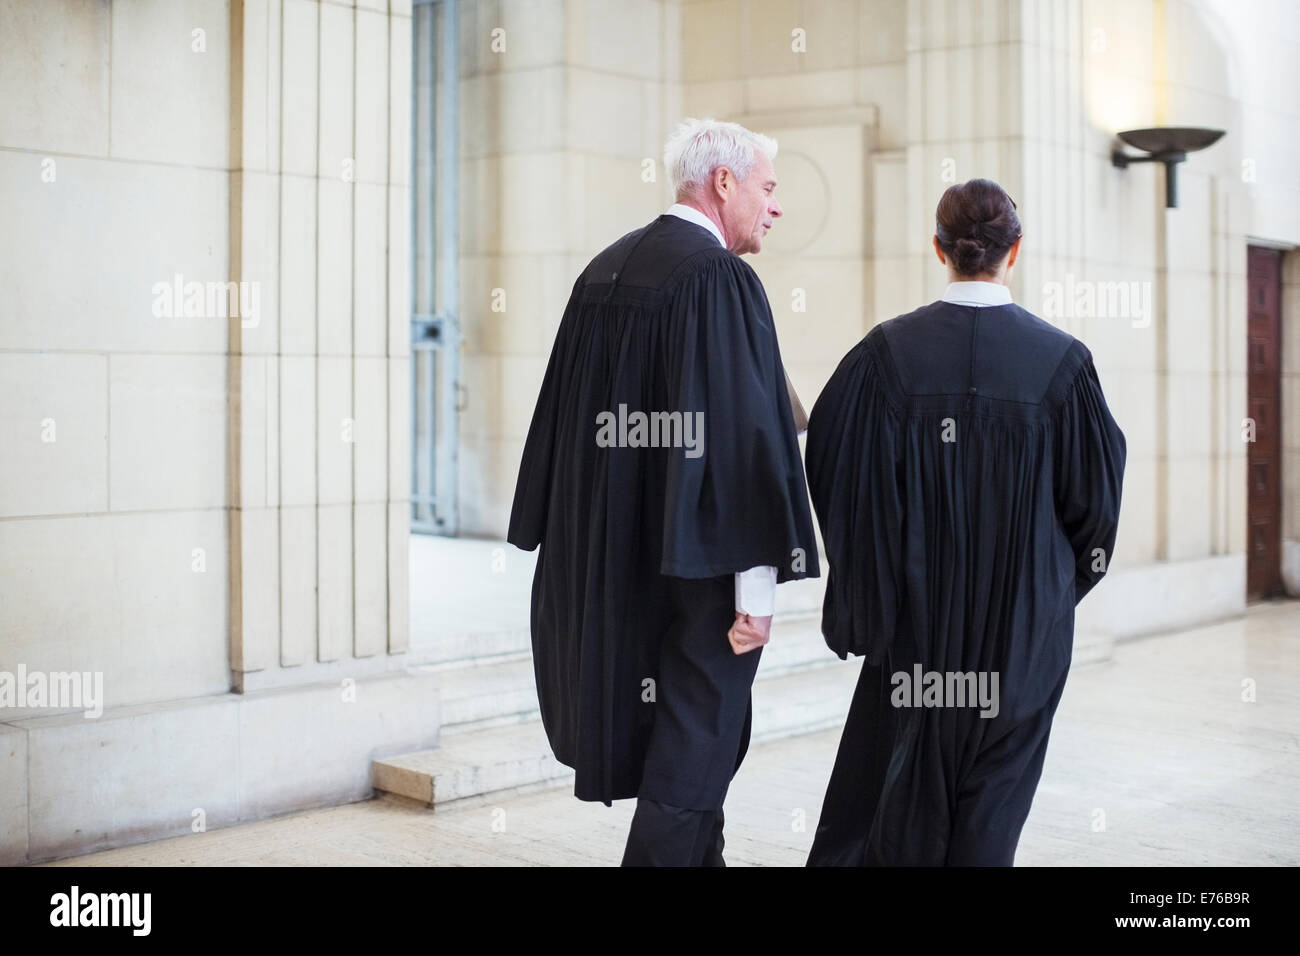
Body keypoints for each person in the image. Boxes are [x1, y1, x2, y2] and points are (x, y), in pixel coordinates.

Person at [507, 118, 819, 866]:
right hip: (702, 568)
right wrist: (758, 588)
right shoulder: (720, 279)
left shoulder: (605, 270)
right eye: (769, 188)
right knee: (697, 741)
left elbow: (562, 421)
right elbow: (746, 438)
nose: (775, 208)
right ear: (723, 183)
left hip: (611, 556)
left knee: (684, 744)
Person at [804, 178, 1126, 866]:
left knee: (898, 804)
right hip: (1022, 643)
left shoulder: (884, 356)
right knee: (992, 815)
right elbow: (1095, 509)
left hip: (915, 634)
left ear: (938, 248)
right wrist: (1045, 597)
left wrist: (876, 584)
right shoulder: (1063, 365)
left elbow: (836, 477)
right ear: (1015, 252)